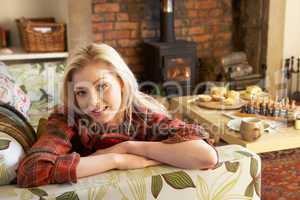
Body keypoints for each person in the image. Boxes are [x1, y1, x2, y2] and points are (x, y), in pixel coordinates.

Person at [17, 43, 218, 187]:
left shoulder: (142, 116)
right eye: (82, 92)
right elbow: (32, 171)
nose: (93, 102)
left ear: (121, 83)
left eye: (102, 86)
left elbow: (205, 155)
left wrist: (128, 147)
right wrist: (116, 160)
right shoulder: (67, 118)